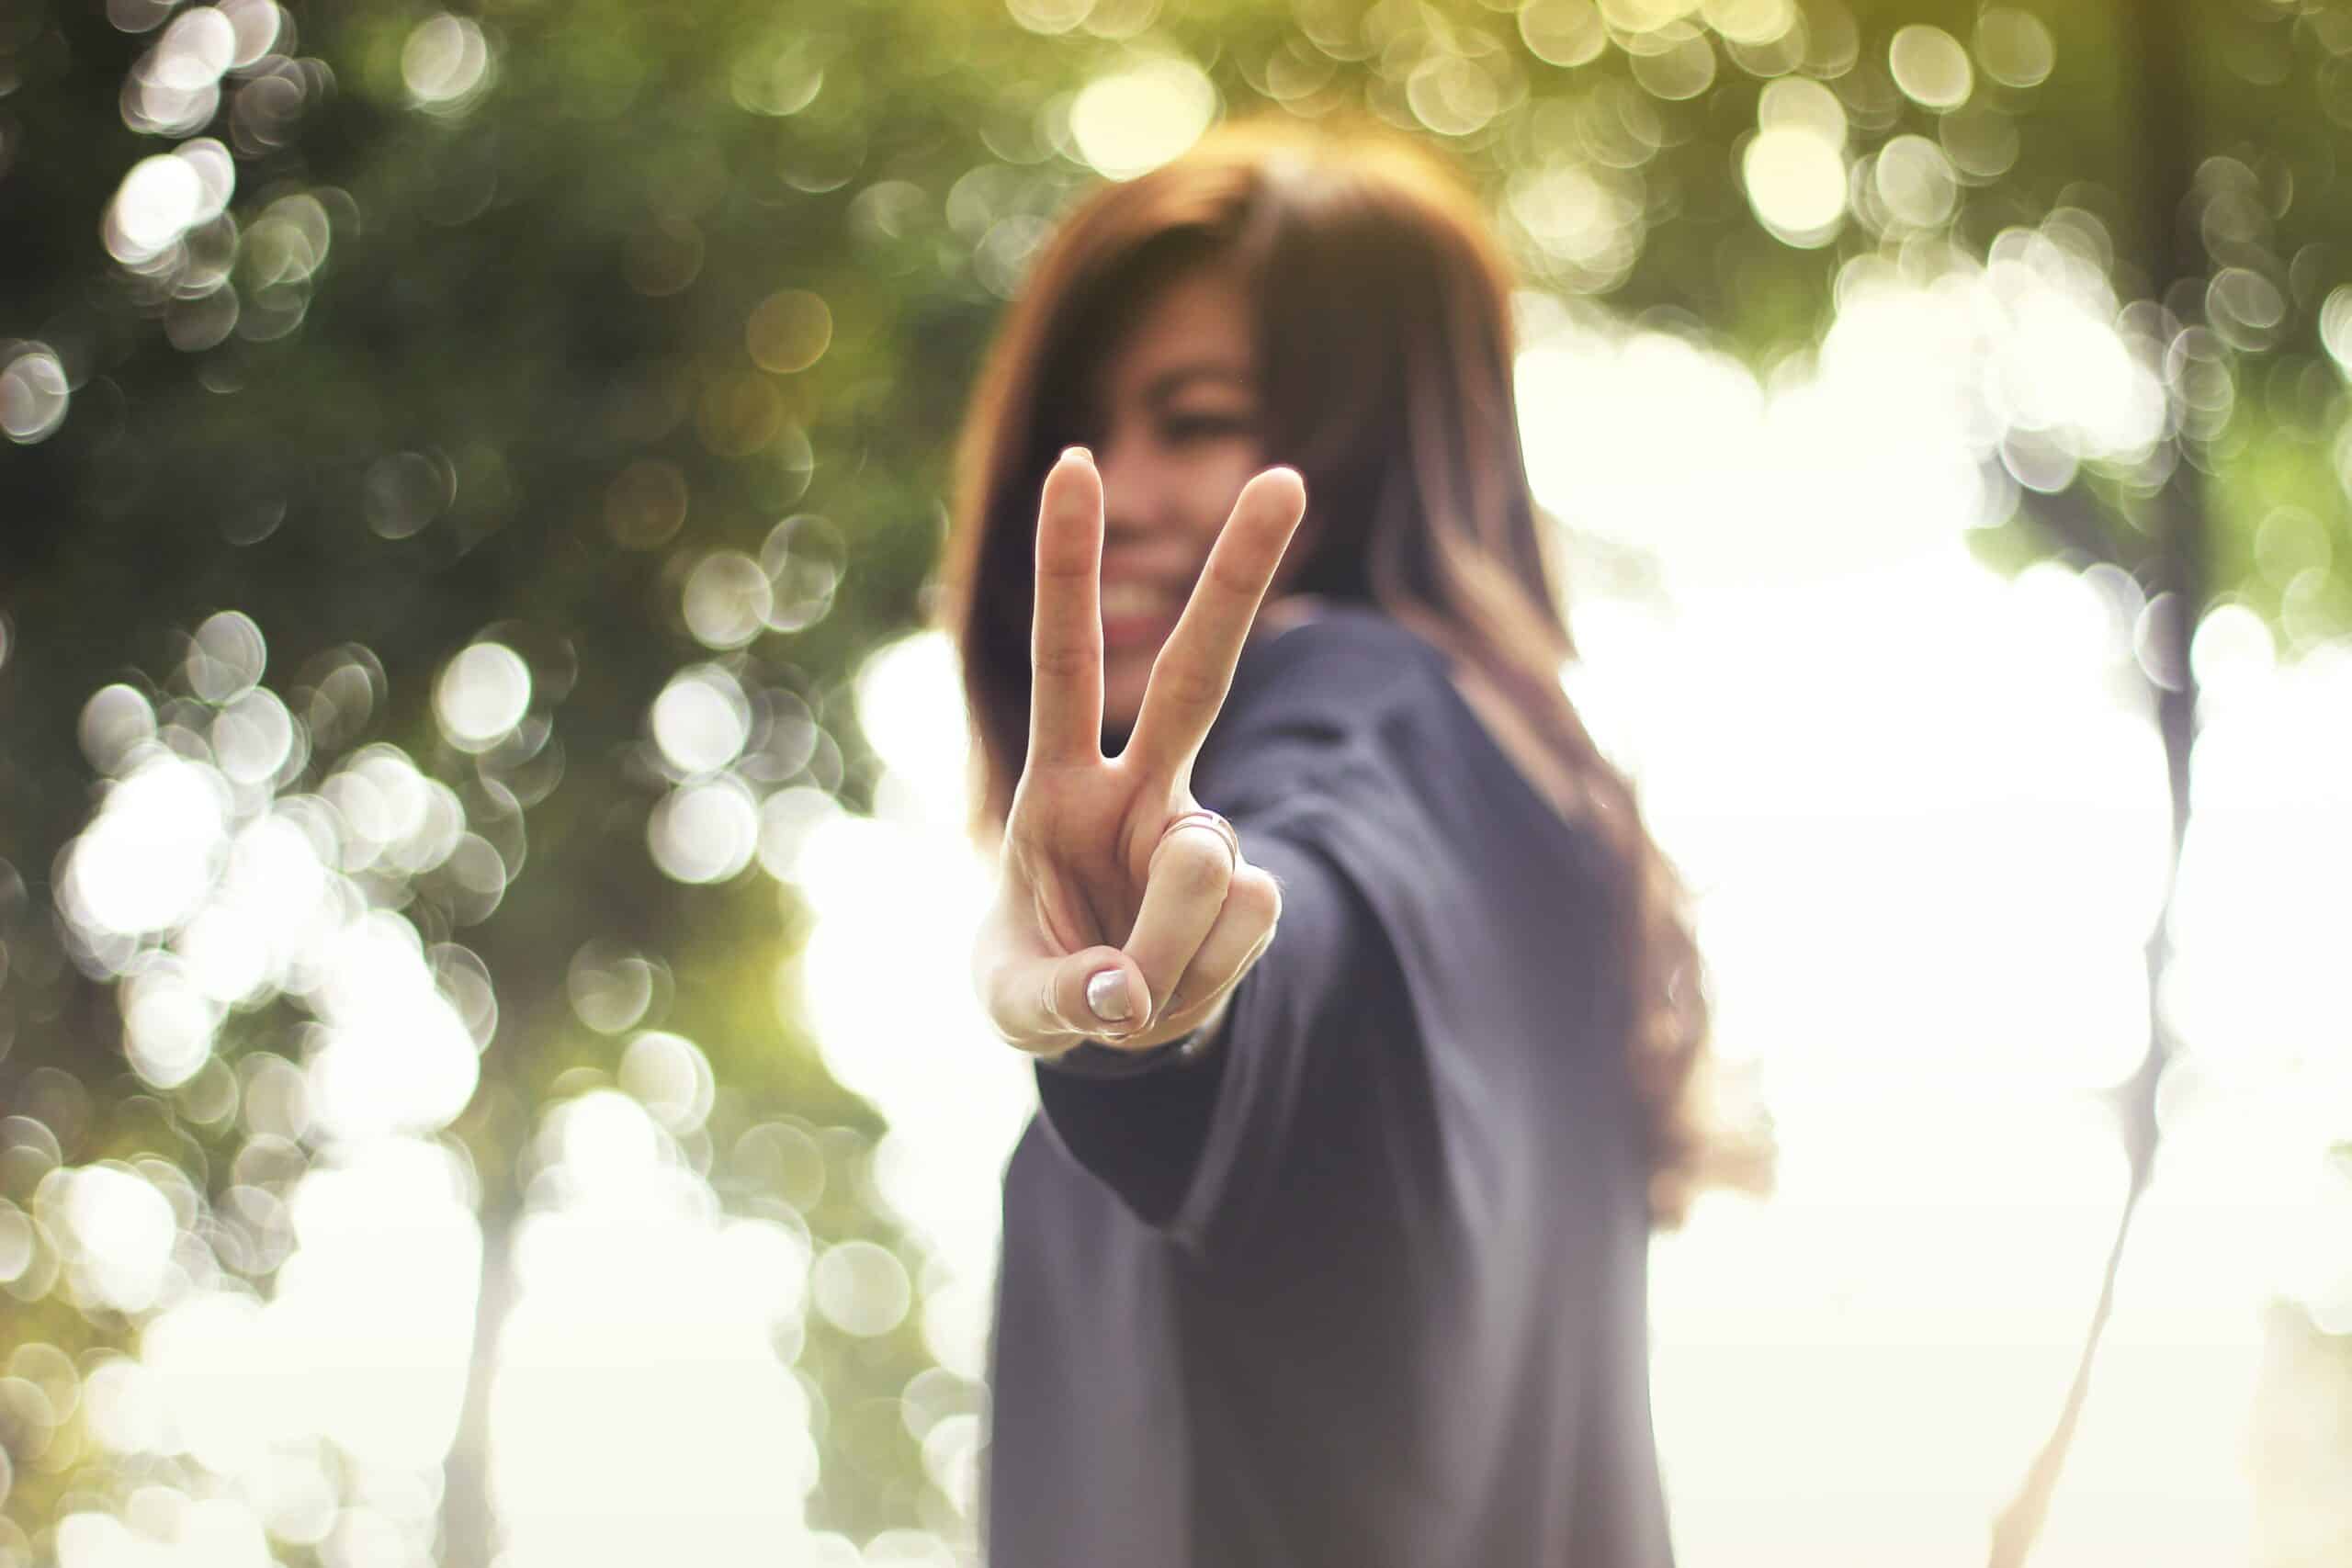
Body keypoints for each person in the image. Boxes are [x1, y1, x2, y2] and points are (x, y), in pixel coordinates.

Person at [936, 111, 1771, 1568]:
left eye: (1194, 421)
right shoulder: (1555, 817)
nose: (1116, 495)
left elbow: (1315, 909)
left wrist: (1180, 999)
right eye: (1088, 433)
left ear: (1370, 444)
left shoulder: (1356, 707)